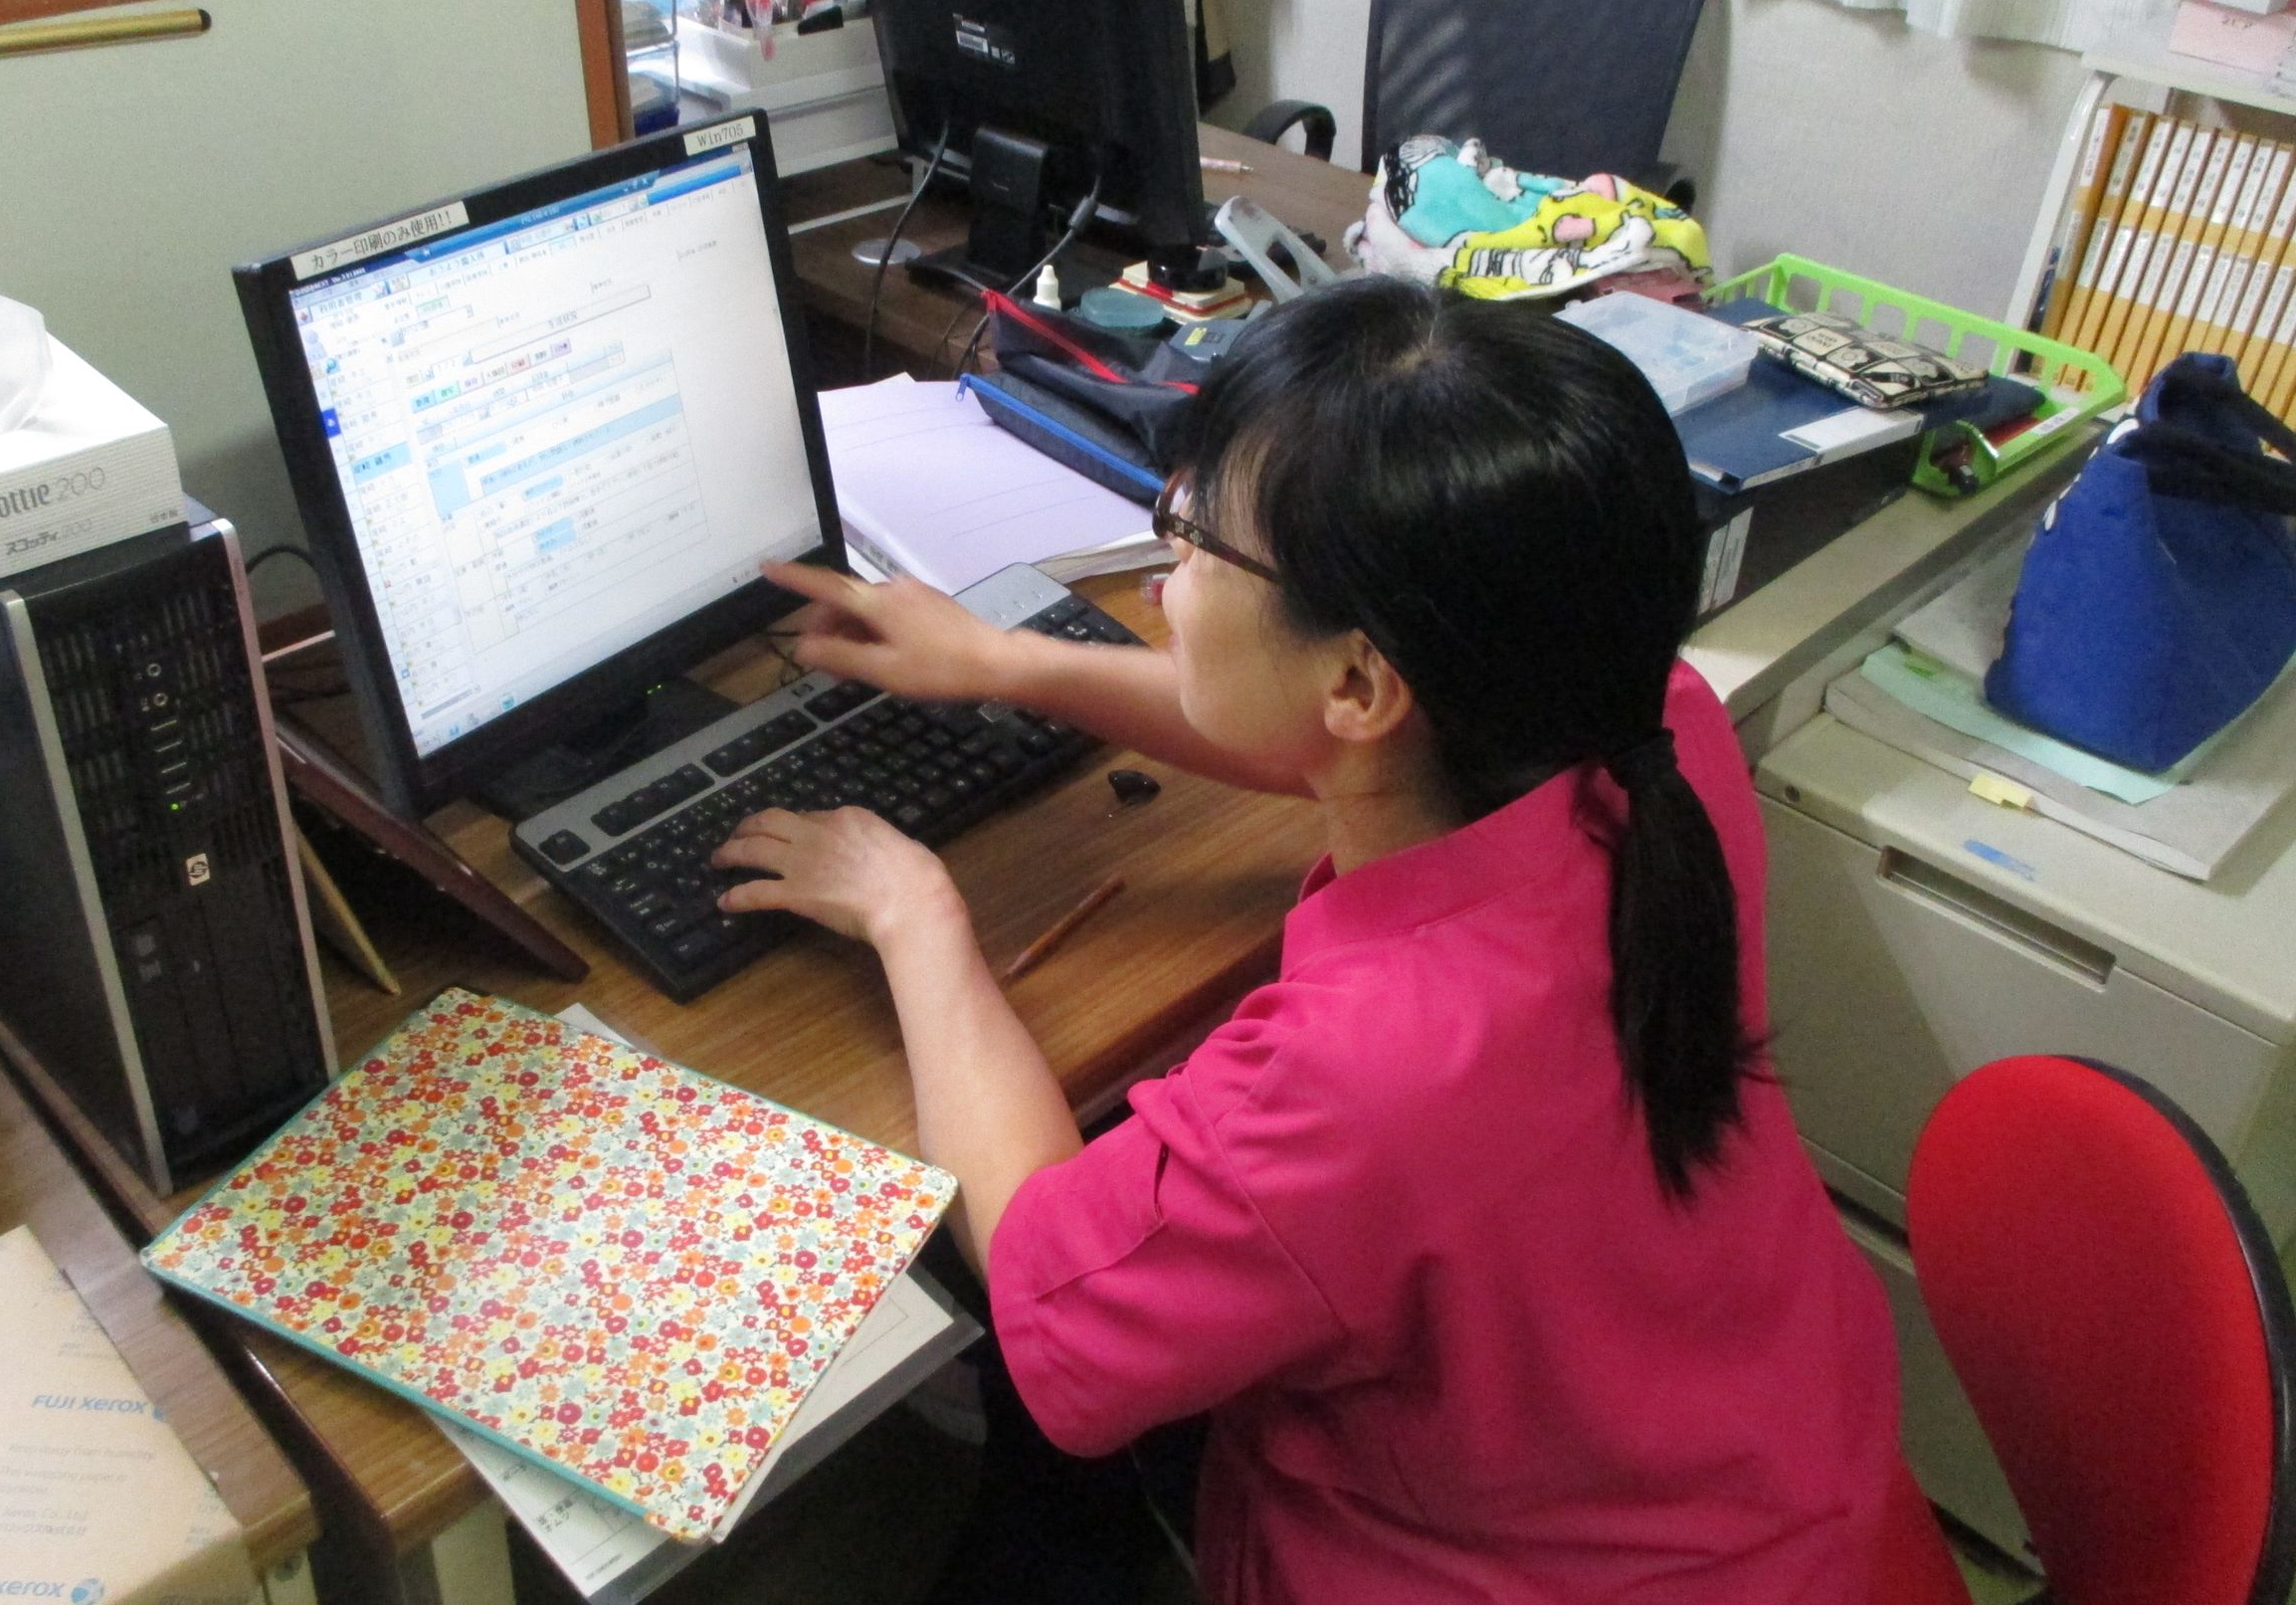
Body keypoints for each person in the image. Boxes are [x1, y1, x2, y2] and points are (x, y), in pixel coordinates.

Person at [710, 277, 1901, 1604]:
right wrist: (1015, 664)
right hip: (1781, 1479)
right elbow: (1344, 741)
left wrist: (913, 912)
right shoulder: (1647, 729)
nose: (1166, 578)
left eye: (1195, 540)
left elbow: (1053, 1293)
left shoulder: (1360, 1071)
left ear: (1359, 680)